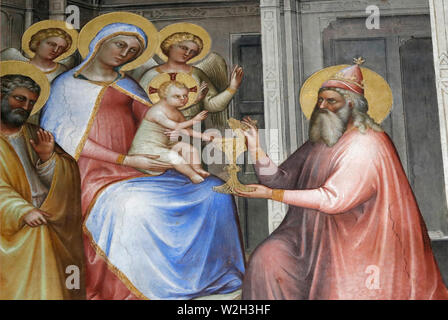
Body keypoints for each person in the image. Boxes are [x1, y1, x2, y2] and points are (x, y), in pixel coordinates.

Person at [40, 12, 245, 300]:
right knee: (134, 205)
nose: (125, 53)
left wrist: (180, 139)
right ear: (99, 43)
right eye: (120, 45)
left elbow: (154, 122)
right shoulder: (66, 86)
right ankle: (148, 289)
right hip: (91, 172)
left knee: (215, 191)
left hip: (143, 163)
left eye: (133, 51)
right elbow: (68, 139)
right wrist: (126, 161)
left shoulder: (129, 86)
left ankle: (207, 279)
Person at [236, 61, 448, 299]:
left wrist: (270, 195)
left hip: (356, 242)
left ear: (351, 104)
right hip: (309, 238)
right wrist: (255, 147)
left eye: (331, 101)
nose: (322, 106)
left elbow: (334, 199)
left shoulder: (367, 143)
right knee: (267, 257)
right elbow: (280, 179)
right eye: (320, 100)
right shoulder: (322, 140)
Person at [0, 61, 85, 300]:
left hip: (46, 213)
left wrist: (48, 159)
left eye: (30, 102)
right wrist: (22, 210)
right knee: (38, 235)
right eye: (19, 99)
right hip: (8, 226)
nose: (26, 107)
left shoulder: (35, 134)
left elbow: (68, 176)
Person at [139, 23, 243, 126]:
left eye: (193, 51)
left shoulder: (196, 74)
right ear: (170, 46)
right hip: (158, 129)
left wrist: (232, 88)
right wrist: (193, 100)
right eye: (184, 48)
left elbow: (212, 105)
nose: (188, 53)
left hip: (193, 128)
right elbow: (140, 107)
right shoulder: (151, 75)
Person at [129, 80, 212, 183]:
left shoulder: (176, 113)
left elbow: (185, 129)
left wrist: (203, 136)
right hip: (146, 150)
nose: (183, 99)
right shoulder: (157, 111)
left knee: (189, 149)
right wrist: (195, 120)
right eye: (177, 96)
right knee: (174, 156)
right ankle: (193, 175)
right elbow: (176, 126)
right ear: (165, 96)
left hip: (165, 146)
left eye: (185, 96)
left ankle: (197, 169)